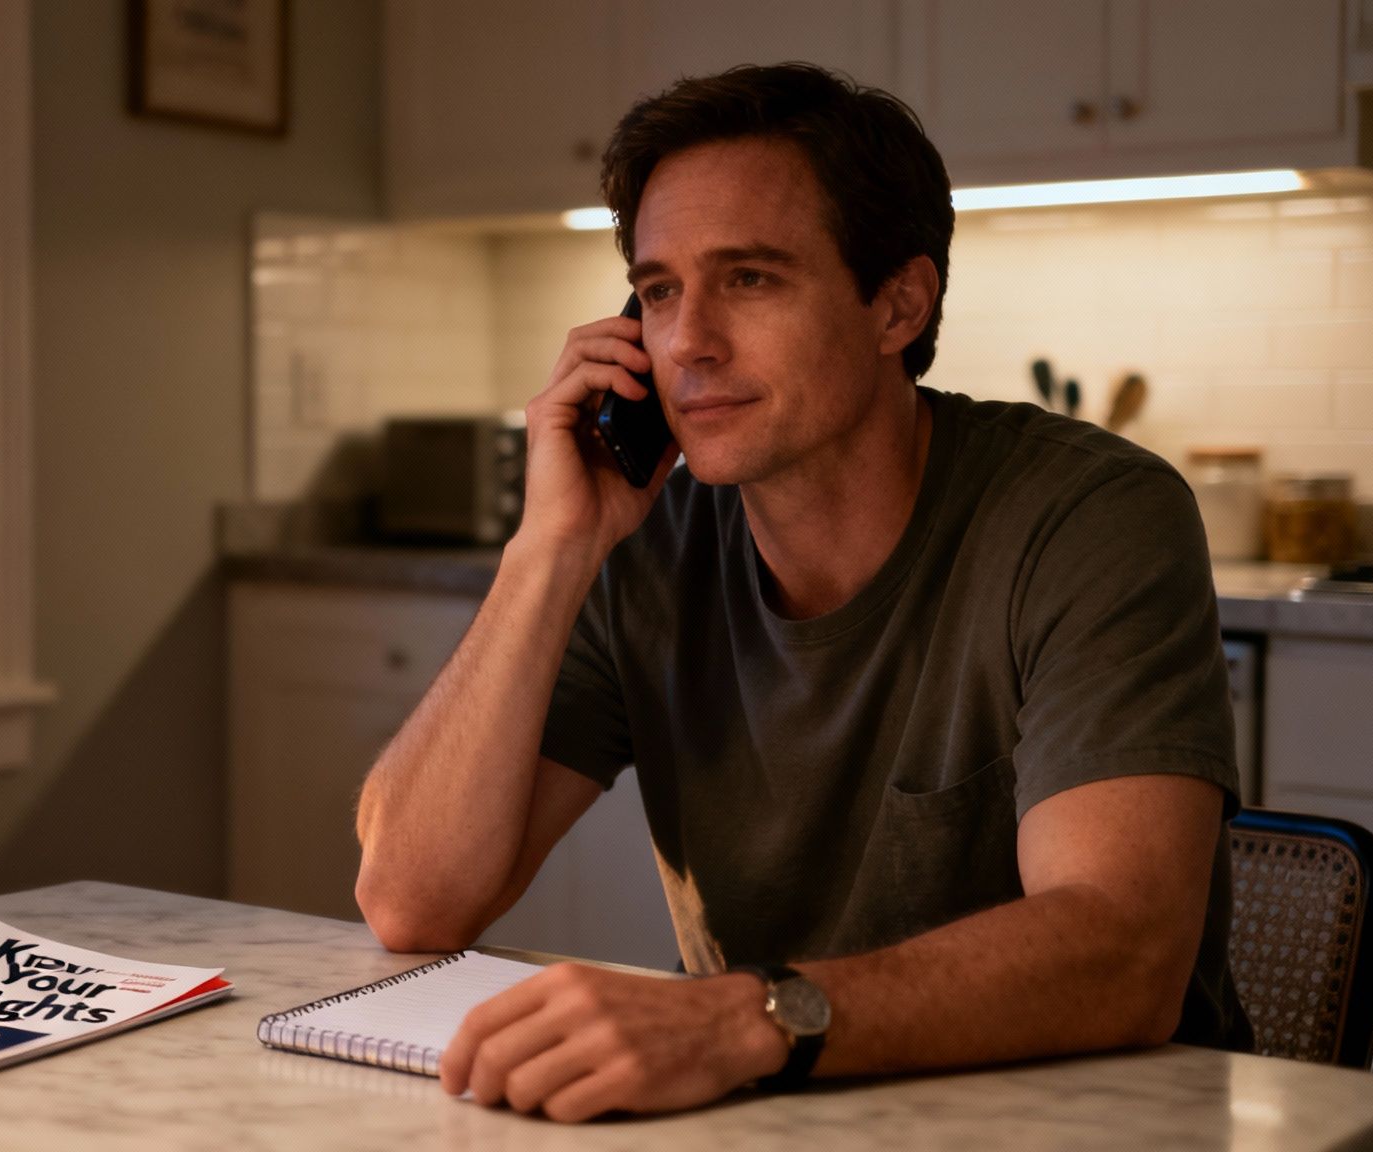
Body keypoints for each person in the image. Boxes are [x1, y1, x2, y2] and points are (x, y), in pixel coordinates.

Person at [352, 63, 1252, 1124]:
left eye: (748, 279)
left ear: (895, 304)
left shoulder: (1086, 515)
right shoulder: (637, 539)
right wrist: (545, 551)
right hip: (784, 1113)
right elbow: (412, 902)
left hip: (1089, 1123)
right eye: (656, 291)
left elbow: (1120, 949)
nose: (685, 341)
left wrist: (742, 1021)